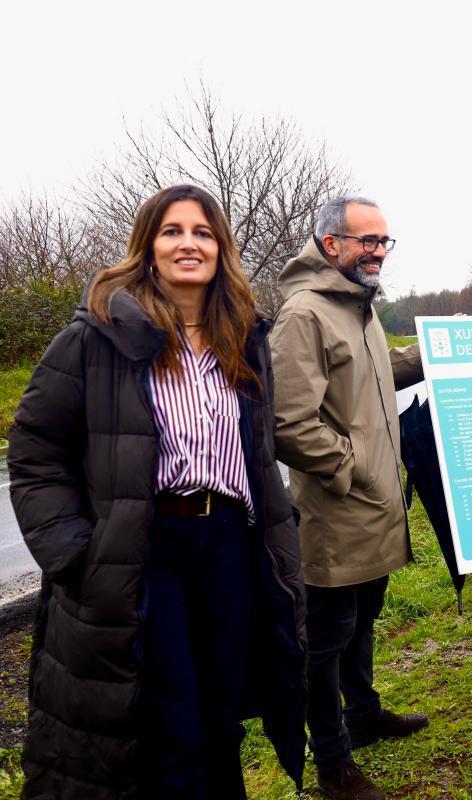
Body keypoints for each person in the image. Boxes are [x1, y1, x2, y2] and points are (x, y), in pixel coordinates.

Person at [8, 184, 307, 798]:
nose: (188, 244)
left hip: (230, 545)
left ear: (220, 248)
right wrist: (73, 552)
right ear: (148, 246)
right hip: (146, 552)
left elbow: (260, 447)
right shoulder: (97, 335)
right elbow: (36, 451)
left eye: (202, 232)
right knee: (173, 722)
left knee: (223, 713)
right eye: (172, 231)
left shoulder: (245, 336)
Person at [271, 196, 427, 800]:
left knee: (363, 623)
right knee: (327, 640)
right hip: (337, 513)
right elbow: (290, 423)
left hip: (376, 509)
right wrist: (355, 470)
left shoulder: (357, 308)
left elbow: (380, 375)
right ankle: (333, 764)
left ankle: (364, 717)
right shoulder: (305, 314)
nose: (379, 252)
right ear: (331, 244)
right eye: (368, 240)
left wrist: (434, 352)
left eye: (386, 241)